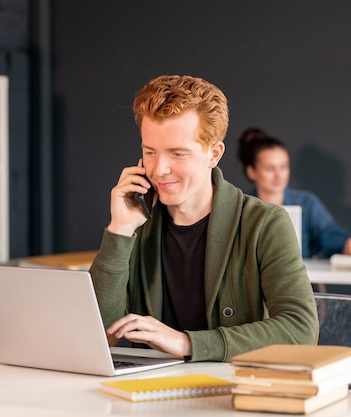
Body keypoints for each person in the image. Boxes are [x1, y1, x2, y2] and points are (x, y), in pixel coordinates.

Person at [89, 75, 318, 362]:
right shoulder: (136, 224)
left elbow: (300, 330)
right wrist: (119, 232)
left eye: (177, 153)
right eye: (150, 152)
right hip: (148, 397)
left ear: (214, 154)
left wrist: (187, 343)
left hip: (232, 394)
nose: (159, 170)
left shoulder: (265, 222)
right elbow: (99, 332)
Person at [237, 127, 351, 259]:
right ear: (251, 172)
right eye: (270, 168)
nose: (278, 175)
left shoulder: (306, 203)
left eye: (283, 167)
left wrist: (346, 245)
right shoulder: (241, 207)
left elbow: (330, 233)